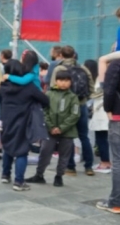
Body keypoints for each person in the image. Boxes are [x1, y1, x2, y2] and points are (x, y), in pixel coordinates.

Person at [0, 59, 49, 191]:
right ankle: (19, 181)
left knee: (8, 146)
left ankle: (5, 174)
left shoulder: (3, 86)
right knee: (22, 150)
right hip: (23, 121)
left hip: (7, 119)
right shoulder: (28, 87)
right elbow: (45, 100)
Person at [25, 70, 79, 187]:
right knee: (45, 152)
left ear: (70, 82)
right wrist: (51, 126)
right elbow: (44, 111)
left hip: (67, 132)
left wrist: (62, 128)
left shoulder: (73, 97)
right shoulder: (49, 94)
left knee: (64, 155)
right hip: (49, 131)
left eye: (66, 81)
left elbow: (74, 115)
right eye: (61, 80)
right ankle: (39, 175)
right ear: (56, 81)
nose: (63, 83)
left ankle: (59, 176)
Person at [50, 45, 95, 176]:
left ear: (62, 55)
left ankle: (70, 167)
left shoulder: (59, 68)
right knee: (84, 136)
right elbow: (91, 87)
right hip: (81, 105)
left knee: (67, 137)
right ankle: (89, 167)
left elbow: (54, 87)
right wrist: (84, 99)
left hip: (66, 107)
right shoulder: (83, 68)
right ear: (74, 55)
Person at [98, 36, 120, 213]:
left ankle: (116, 202)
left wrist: (108, 110)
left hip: (118, 117)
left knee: (118, 161)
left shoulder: (116, 65)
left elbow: (109, 89)